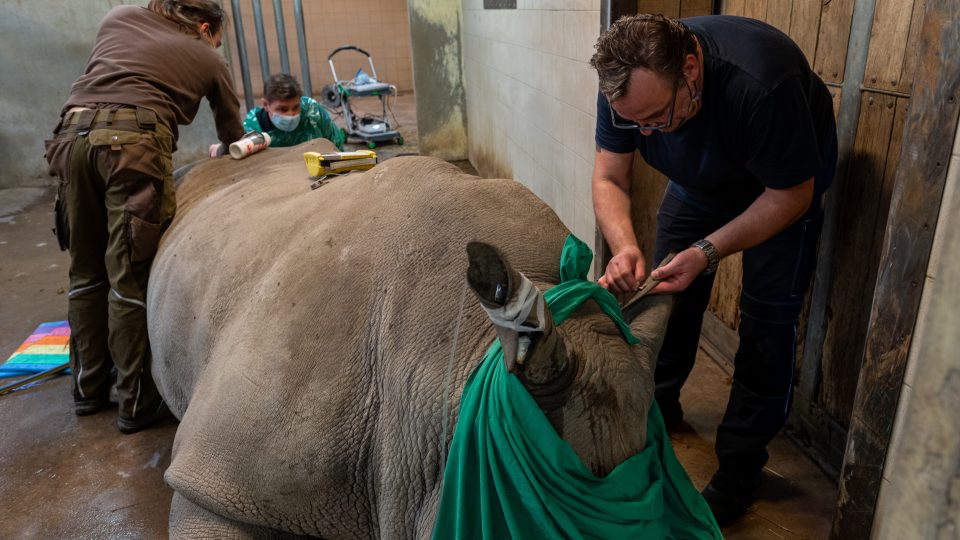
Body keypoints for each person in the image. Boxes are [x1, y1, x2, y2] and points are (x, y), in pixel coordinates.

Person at [589, 14, 837, 524]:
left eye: (657, 117)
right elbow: (611, 175)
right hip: (700, 183)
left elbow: (792, 193)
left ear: (690, 69)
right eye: (635, 123)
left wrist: (708, 250)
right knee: (664, 293)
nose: (646, 132)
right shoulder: (622, 87)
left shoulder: (762, 81)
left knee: (767, 324)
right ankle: (660, 411)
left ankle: (739, 472)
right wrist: (624, 247)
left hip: (780, 189)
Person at [43, 0, 245, 434]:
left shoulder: (116, 17)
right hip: (133, 145)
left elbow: (114, 75)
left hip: (70, 140)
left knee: (85, 270)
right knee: (129, 277)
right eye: (218, 38)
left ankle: (88, 389)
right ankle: (135, 403)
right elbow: (233, 133)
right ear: (207, 27)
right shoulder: (209, 57)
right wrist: (241, 146)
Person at [241, 73, 345, 150]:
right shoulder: (253, 127)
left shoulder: (312, 112)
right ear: (265, 105)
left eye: (296, 107)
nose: (291, 114)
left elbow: (336, 143)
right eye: (283, 109)